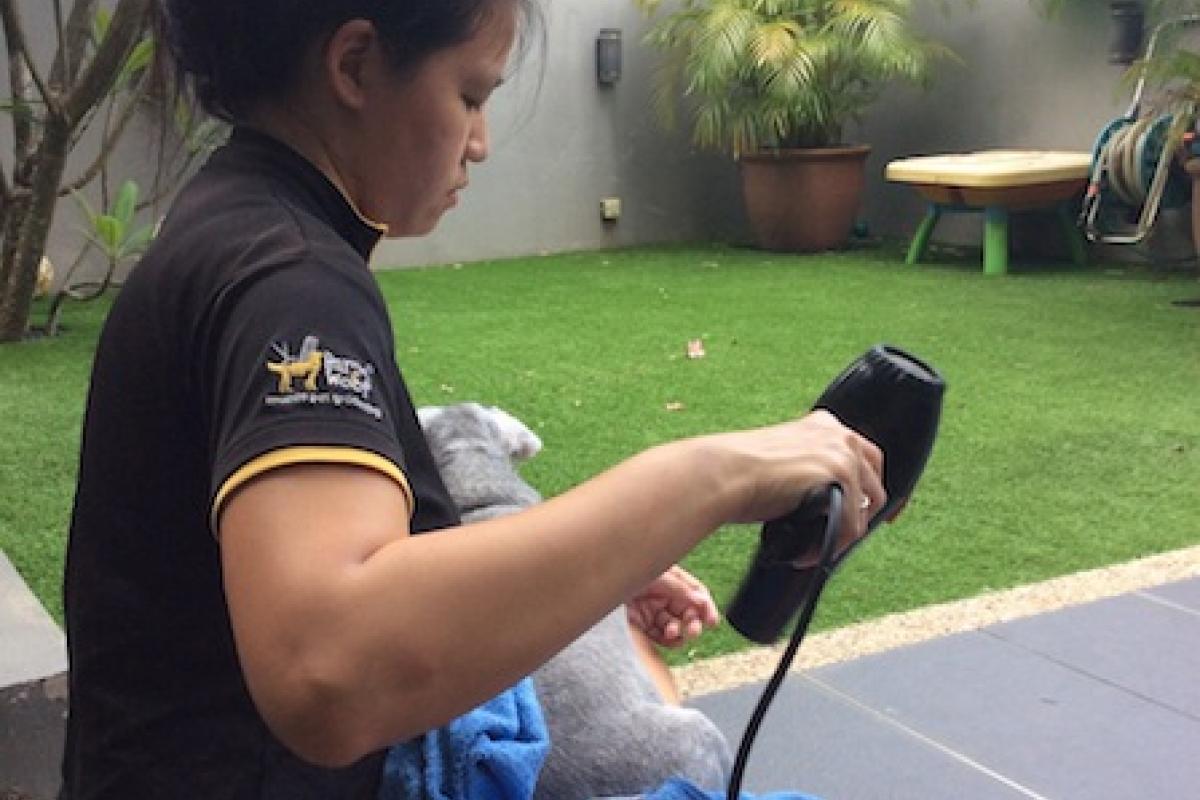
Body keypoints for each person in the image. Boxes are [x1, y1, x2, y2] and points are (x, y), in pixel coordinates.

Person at [59, 1, 887, 798]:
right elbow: (331, 670)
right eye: (469, 95)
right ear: (355, 65)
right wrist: (710, 477)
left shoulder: (241, 221)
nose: (481, 143)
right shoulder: (290, 282)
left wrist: (590, 574)